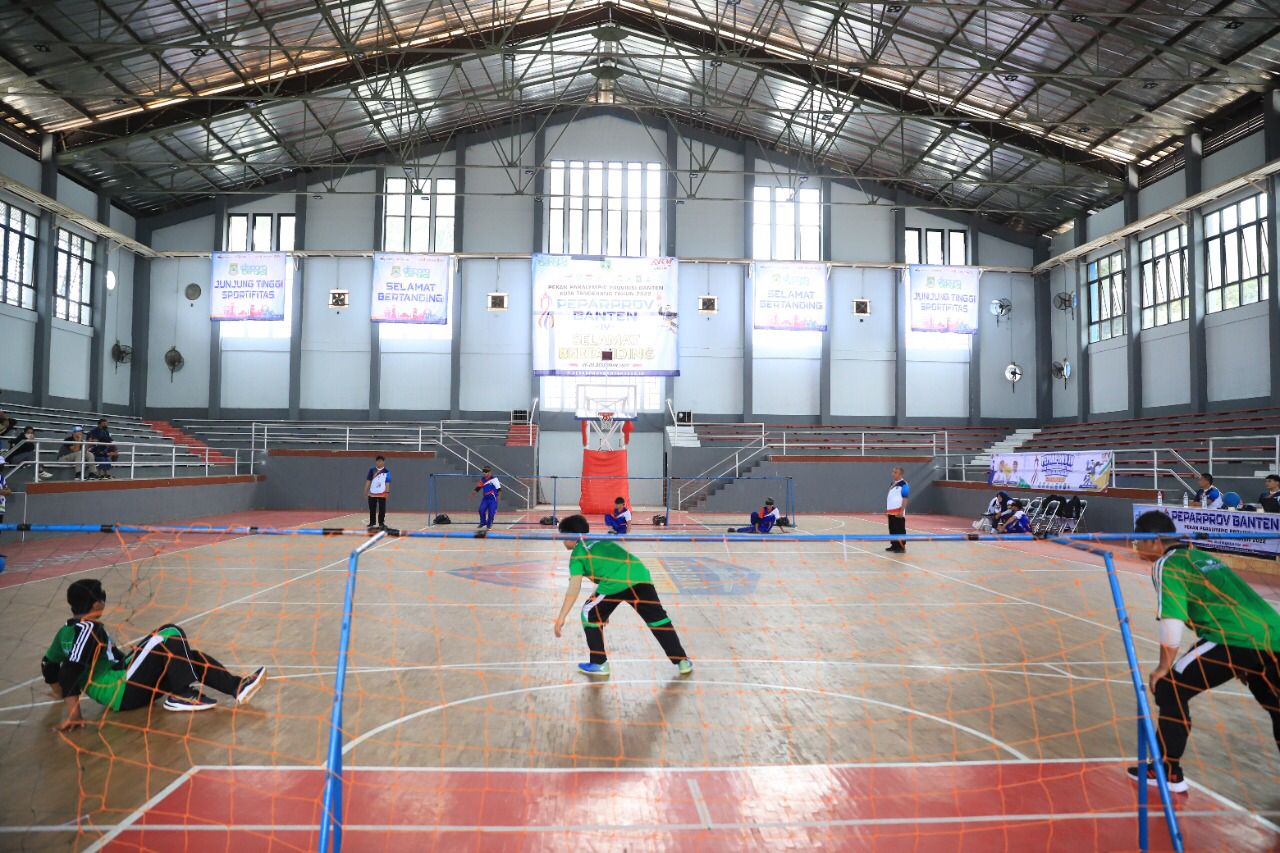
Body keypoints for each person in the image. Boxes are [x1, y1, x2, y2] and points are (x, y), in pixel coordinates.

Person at [1127, 510, 1280, 793]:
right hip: (1274, 636)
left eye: (1139, 541)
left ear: (1155, 541)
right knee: (1276, 707)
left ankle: (1166, 770)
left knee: (1170, 688)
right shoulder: (1203, 557)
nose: (1136, 547)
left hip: (1233, 638)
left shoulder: (1168, 564)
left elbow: (1172, 619)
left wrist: (1163, 667)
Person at [41, 579, 268, 730]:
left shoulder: (65, 632)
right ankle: (181, 695)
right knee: (169, 633)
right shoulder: (88, 629)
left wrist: (58, 691)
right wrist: (74, 715)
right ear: (97, 603)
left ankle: (237, 687)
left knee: (188, 657)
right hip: (122, 690)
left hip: (124, 686)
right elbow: (70, 669)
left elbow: (48, 665)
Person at [552, 515, 692, 678]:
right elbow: (609, 569)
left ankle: (599, 663)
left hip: (615, 583)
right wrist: (602, 610)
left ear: (570, 536)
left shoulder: (577, 555)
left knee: (588, 613)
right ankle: (682, 661)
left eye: (563, 536)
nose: (562, 541)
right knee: (658, 620)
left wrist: (561, 617)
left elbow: (574, 588)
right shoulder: (601, 541)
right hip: (639, 575)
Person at [885, 466, 910, 553]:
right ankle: (894, 545)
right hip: (891, 512)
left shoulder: (904, 484)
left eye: (895, 472)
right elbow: (891, 498)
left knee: (899, 529)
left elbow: (905, 498)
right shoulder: (892, 483)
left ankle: (901, 547)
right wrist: (887, 510)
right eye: (893, 472)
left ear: (901, 474)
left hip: (898, 511)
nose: (893, 474)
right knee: (892, 529)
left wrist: (901, 511)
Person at [364, 455, 390, 530]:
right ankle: (372, 523)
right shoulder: (372, 470)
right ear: (376, 462)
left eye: (381, 461)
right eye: (378, 461)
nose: (379, 462)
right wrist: (365, 490)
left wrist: (387, 492)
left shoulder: (387, 472)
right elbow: (368, 481)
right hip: (372, 493)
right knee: (372, 509)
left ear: (383, 462)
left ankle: (381, 523)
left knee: (382, 509)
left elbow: (387, 482)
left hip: (382, 493)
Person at [474, 466, 501, 531]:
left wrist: (498, 498)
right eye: (483, 471)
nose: (484, 473)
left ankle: (489, 525)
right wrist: (474, 492)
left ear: (489, 472)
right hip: (485, 498)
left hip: (493, 499)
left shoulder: (494, 479)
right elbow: (478, 487)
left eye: (486, 471)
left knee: (491, 513)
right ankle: (483, 522)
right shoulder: (482, 479)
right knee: (481, 510)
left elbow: (499, 489)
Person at [0, 455, 9, 573]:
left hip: (1, 508)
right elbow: (3, 490)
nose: (3, 466)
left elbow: (8, 490)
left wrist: (4, 491)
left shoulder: (2, 477)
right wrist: (3, 491)